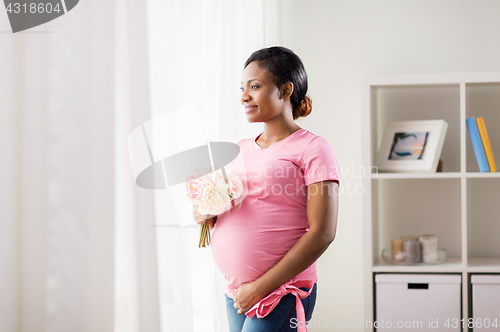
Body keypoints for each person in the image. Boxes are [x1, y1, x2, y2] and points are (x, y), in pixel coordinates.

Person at [193, 46, 340, 332]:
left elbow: (323, 233)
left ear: (285, 90)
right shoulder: (238, 149)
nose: (244, 96)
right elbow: (239, 211)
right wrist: (205, 213)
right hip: (235, 290)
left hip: (280, 291)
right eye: (242, 88)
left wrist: (260, 286)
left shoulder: (313, 148)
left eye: (255, 87)